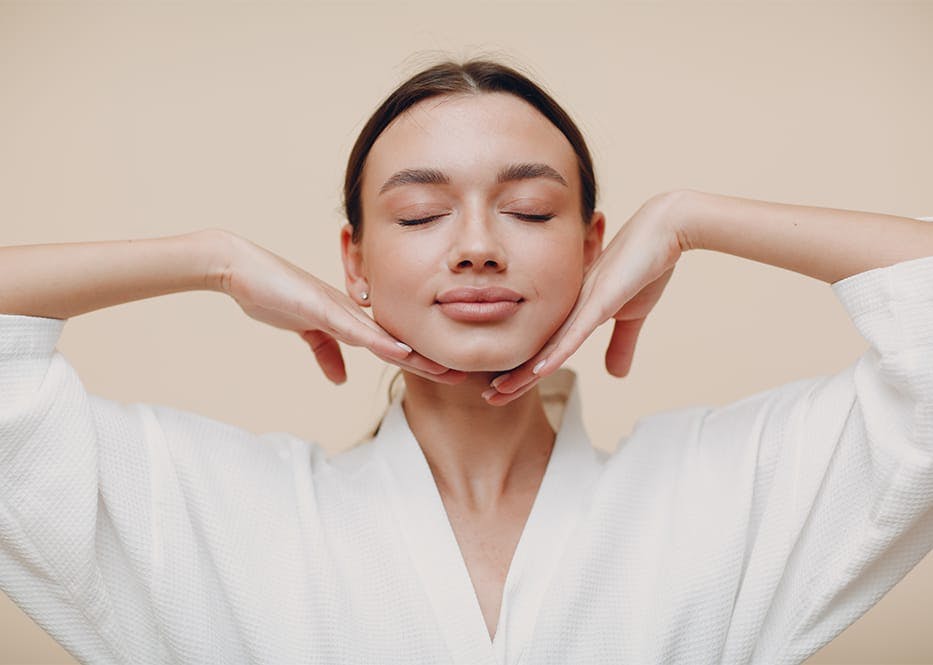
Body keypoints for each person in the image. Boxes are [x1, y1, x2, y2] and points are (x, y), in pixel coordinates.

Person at [0, 58, 931, 665]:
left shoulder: (719, 489)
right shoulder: (211, 507)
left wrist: (695, 218)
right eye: (417, 215)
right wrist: (212, 257)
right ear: (354, 259)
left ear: (595, 248)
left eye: (529, 210)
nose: (478, 246)